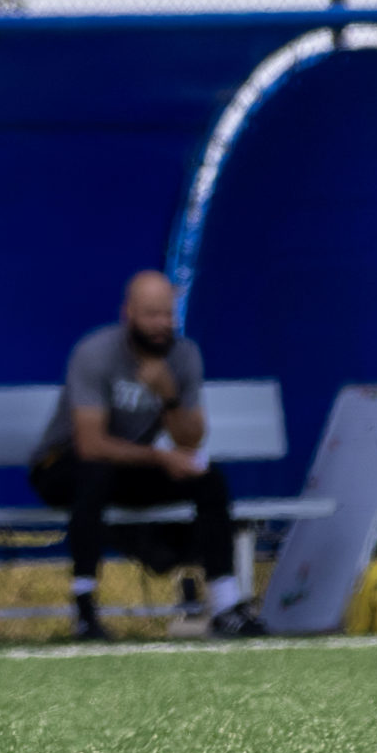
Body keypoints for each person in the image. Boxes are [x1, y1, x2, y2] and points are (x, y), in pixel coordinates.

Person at [30, 270, 259, 640]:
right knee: (95, 473)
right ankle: (85, 610)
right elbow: (90, 444)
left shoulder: (183, 356)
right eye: (152, 314)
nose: (161, 324)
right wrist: (160, 458)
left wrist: (168, 394)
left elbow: (190, 440)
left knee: (208, 478)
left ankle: (225, 605)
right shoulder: (96, 353)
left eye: (168, 314)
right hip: (60, 465)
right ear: (128, 314)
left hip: (126, 469)